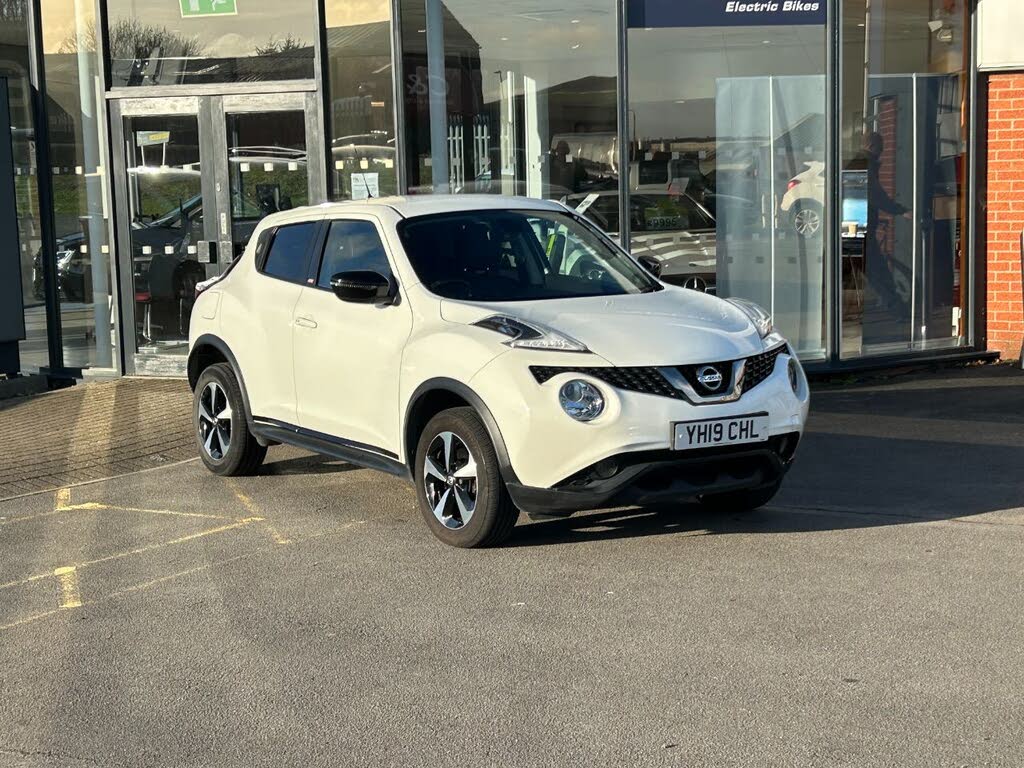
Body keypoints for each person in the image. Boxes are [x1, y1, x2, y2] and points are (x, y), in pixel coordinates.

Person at [863, 132, 913, 323]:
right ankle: (899, 311)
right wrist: (900, 211)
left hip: (851, 226)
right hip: (860, 230)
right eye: (880, 148)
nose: (882, 153)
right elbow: (875, 194)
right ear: (874, 147)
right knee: (879, 272)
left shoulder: (857, 162)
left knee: (865, 272)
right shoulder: (867, 164)